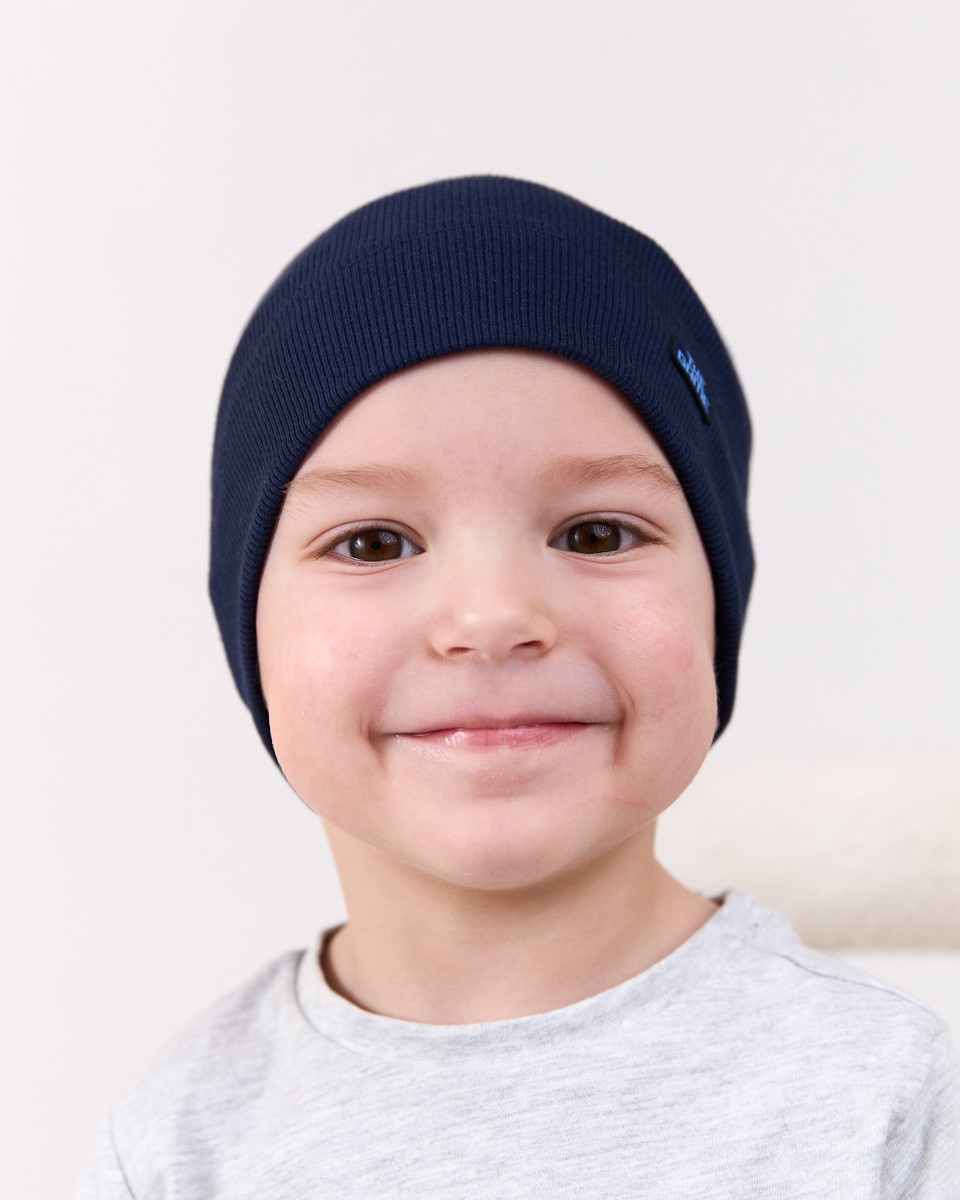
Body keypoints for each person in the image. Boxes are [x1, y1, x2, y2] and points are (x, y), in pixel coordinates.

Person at [74, 176, 959, 1197]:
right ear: (250, 630)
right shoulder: (178, 1144)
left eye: (597, 533)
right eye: (374, 543)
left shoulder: (890, 1101)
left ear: (719, 600)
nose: (491, 616)